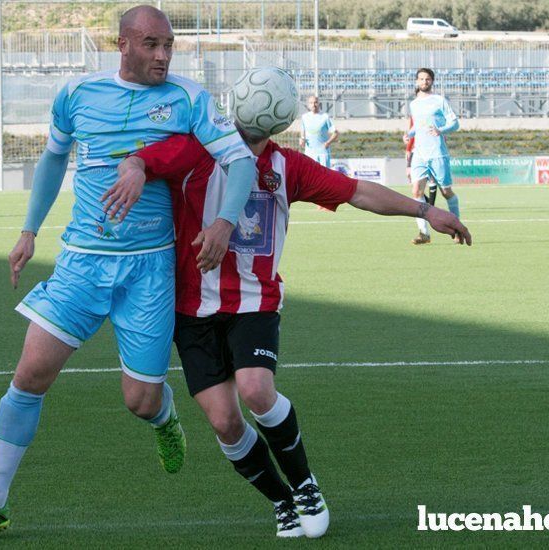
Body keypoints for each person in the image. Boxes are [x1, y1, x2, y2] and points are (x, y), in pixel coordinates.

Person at [0, 5, 257, 542]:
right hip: (81, 264)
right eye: (152, 45)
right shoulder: (76, 95)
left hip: (150, 272)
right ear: (123, 44)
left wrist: (226, 222)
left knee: (140, 401)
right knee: (28, 377)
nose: (163, 56)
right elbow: (51, 161)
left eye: (169, 45)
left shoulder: (187, 99)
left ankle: (164, 420)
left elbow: (242, 160)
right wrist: (28, 230)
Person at [106, 118, 470, 539]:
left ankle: (304, 484)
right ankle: (282, 501)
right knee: (225, 422)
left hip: (255, 303)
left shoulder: (288, 166)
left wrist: (427, 210)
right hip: (193, 309)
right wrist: (133, 167)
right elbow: (142, 160)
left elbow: (358, 192)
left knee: (257, 389)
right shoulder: (195, 151)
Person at [403, 68, 461, 245]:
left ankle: (458, 229)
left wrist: (440, 130)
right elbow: (419, 126)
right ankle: (424, 233)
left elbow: (455, 123)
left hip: (437, 153)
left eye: (427, 79)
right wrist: (409, 134)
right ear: (416, 82)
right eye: (421, 79)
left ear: (432, 81)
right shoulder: (413, 104)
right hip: (419, 154)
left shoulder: (439, 100)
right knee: (416, 192)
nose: (424, 82)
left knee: (446, 192)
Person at [299, 95, 338, 168]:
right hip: (309, 154)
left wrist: (327, 143)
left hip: (322, 154)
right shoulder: (304, 117)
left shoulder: (325, 116)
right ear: (308, 105)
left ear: (319, 103)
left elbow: (336, 133)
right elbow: (303, 131)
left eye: (315, 102)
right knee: (309, 177)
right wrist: (302, 139)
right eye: (311, 103)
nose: (313, 105)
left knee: (324, 177)